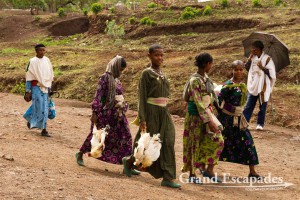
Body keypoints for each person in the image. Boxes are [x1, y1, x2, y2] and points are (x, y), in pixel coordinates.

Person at [122, 44, 181, 188]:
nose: (160, 58)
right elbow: (141, 96)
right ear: (149, 56)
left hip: (163, 112)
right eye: (156, 55)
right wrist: (142, 118)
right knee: (147, 143)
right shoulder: (146, 73)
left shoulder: (162, 73)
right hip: (151, 112)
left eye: (162, 55)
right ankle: (129, 161)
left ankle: (168, 176)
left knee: (168, 141)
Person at [75, 55, 136, 170]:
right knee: (100, 136)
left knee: (126, 136)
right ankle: (80, 153)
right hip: (106, 114)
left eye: (122, 70)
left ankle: (128, 164)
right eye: (120, 69)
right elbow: (98, 95)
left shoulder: (117, 79)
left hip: (118, 114)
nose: (121, 72)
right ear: (115, 67)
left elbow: (119, 95)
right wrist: (94, 112)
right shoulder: (104, 78)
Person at [182, 52, 224, 183]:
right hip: (196, 116)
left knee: (217, 140)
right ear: (207, 64)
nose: (211, 66)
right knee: (194, 143)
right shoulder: (195, 80)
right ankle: (192, 175)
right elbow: (198, 102)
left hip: (207, 113)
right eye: (211, 63)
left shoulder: (205, 78)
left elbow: (209, 97)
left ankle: (207, 169)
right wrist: (209, 120)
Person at [217, 60, 261, 179]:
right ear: (232, 71)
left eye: (241, 69)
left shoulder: (243, 86)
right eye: (236, 69)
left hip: (239, 120)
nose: (238, 72)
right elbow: (217, 101)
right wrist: (228, 109)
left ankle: (252, 171)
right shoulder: (227, 86)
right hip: (225, 120)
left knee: (248, 142)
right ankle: (204, 166)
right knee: (216, 142)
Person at [243, 40, 276, 130]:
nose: (253, 50)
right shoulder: (252, 58)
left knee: (262, 105)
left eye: (254, 48)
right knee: (249, 105)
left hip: (263, 85)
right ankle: (244, 122)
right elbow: (246, 68)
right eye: (252, 48)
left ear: (259, 49)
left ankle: (260, 124)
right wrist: (249, 58)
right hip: (253, 84)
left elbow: (272, 74)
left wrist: (262, 67)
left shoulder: (268, 59)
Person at [23, 44, 54, 137]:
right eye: (40, 50)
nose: (42, 52)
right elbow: (28, 77)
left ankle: (43, 129)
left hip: (46, 87)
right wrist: (28, 91)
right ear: (36, 51)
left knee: (44, 107)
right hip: (36, 88)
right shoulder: (32, 61)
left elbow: (50, 74)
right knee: (39, 106)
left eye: (44, 50)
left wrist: (50, 88)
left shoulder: (47, 60)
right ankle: (32, 121)